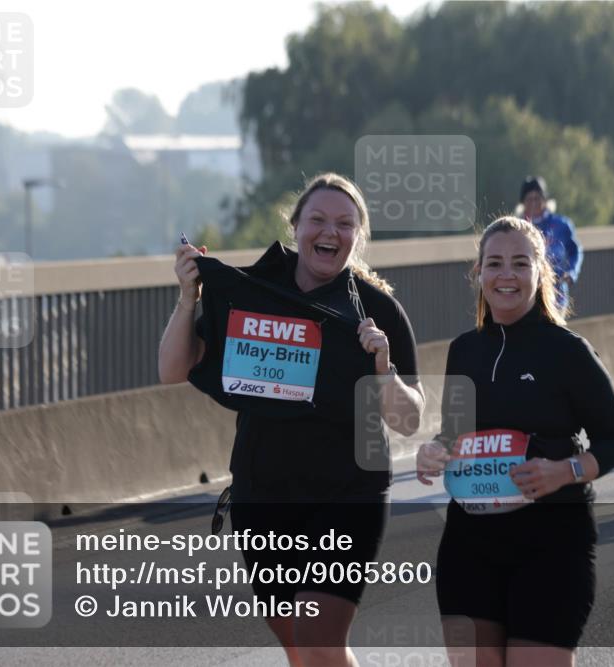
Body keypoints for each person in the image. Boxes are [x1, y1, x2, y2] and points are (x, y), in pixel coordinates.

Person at [158, 172, 426, 666]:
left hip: (349, 494)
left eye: (345, 224)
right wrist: (188, 297)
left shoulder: (379, 310)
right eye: (318, 219)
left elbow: (409, 420)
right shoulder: (254, 292)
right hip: (264, 496)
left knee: (320, 643)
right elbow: (174, 368)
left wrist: (383, 368)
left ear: (358, 237)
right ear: (295, 226)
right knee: (301, 650)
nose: (330, 232)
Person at [416, 216, 614, 666]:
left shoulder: (567, 351)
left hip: (552, 545)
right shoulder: (463, 350)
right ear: (479, 274)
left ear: (540, 273)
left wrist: (564, 471)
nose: (506, 275)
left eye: (520, 263)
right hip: (469, 545)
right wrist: (435, 451)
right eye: (494, 263)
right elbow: (455, 433)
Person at [520, 176, 583, 312]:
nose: (534, 203)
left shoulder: (561, 225)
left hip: (556, 297)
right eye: (529, 199)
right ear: (523, 202)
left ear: (545, 200)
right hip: (524, 298)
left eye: (537, 198)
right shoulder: (515, 228)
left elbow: (575, 251)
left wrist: (572, 272)